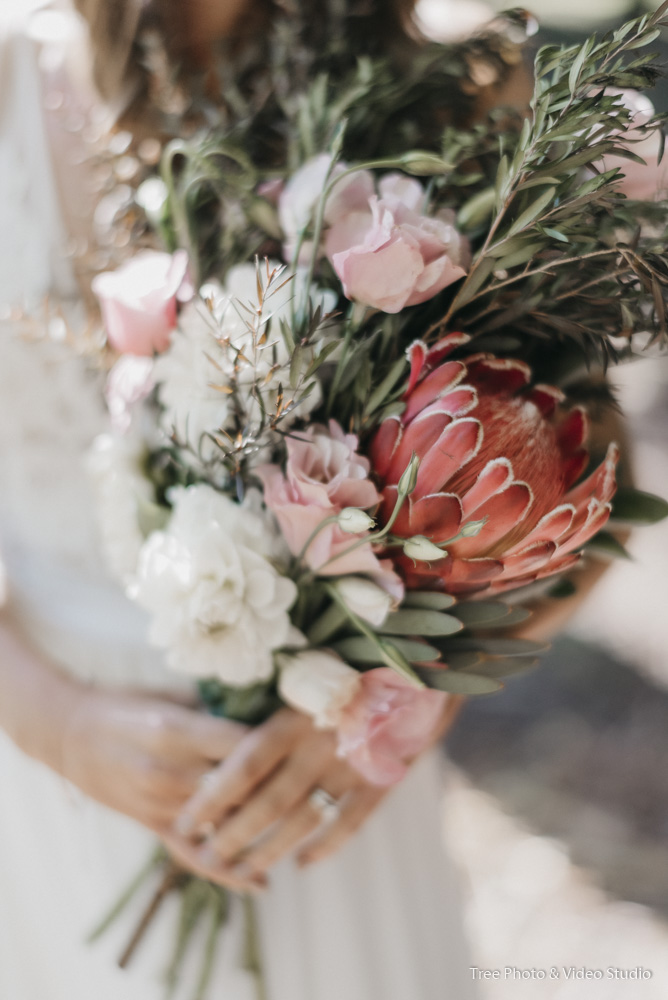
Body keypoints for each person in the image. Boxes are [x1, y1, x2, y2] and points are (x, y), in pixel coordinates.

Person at [0, 2, 617, 998]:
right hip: (42, 770)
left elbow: (578, 488)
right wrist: (54, 721)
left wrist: (401, 699)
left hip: (317, 785)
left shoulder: (445, 103)